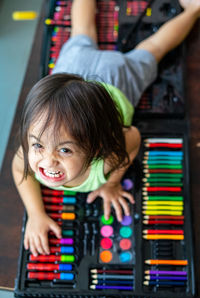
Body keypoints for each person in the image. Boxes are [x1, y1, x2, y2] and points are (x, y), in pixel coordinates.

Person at [12, 0, 200, 257]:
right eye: (38, 145)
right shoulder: (31, 152)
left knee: (153, 48)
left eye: (65, 150)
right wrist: (35, 213)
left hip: (117, 77)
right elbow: (18, 167)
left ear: (97, 148)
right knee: (83, 30)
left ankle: (194, 9)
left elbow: (132, 137)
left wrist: (111, 184)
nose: (47, 162)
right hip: (73, 72)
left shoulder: (109, 152)